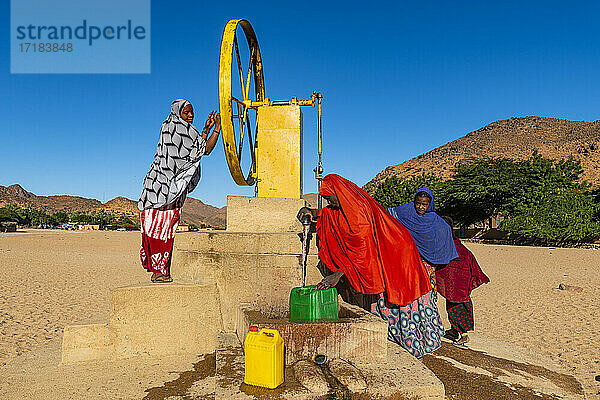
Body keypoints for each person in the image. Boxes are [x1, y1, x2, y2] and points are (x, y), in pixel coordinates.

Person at [297, 174, 444, 358]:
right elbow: (331, 213)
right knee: (384, 295)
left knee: (399, 292)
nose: (328, 201)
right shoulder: (345, 205)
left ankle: (410, 337)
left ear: (339, 193)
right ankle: (391, 333)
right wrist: (312, 212)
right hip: (385, 250)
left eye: (329, 197)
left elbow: (363, 251)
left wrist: (338, 274)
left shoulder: (358, 212)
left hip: (396, 251)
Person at [138, 99, 221, 282]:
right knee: (161, 230)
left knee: (154, 229)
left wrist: (205, 130)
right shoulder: (178, 129)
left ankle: (157, 270)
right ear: (178, 112)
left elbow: (193, 147)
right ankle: (159, 272)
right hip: (164, 190)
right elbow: (203, 150)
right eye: (187, 113)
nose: (190, 116)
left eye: (192, 112)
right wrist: (217, 129)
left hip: (155, 189)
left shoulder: (170, 125)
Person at [387, 188, 459, 294]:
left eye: (424, 204)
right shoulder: (406, 212)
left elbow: (445, 232)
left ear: (430, 204)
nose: (420, 207)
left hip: (427, 265)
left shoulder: (436, 221)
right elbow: (387, 217)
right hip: (408, 262)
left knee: (426, 294)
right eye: (418, 203)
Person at [436, 216, 489, 345]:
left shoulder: (449, 243)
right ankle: (454, 331)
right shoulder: (453, 241)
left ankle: (464, 334)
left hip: (458, 277)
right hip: (458, 277)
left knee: (457, 303)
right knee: (452, 302)